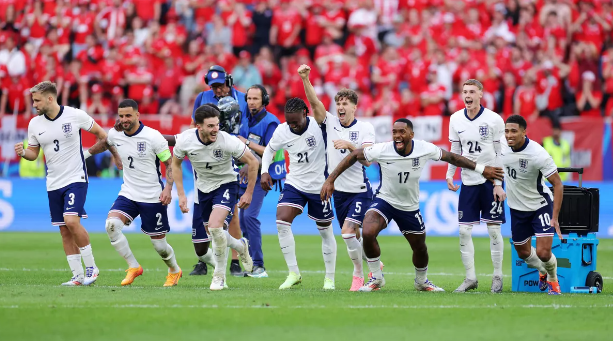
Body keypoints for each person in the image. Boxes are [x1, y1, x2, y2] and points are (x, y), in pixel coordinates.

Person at [320, 118, 505, 292]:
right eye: (394, 132)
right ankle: (376, 277)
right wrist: (330, 180)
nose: (397, 136)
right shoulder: (382, 149)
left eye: (402, 132)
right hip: (385, 200)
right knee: (367, 231)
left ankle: (421, 281)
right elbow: (354, 155)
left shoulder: (424, 148)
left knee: (420, 247)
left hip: (409, 206)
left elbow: (452, 157)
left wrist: (482, 169)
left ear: (411, 135)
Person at [14, 81, 119, 286]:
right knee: (64, 229)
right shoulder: (34, 124)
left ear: (50, 98)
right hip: (53, 182)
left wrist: (96, 154)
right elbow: (34, 154)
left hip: (75, 178)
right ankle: (77, 276)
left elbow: (103, 136)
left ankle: (92, 268)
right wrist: (23, 153)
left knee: (71, 221)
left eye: (37, 100)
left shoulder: (75, 115)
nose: (34, 104)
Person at [298, 64, 381, 291]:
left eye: (345, 103)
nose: (341, 107)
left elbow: (367, 161)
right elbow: (315, 104)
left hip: (360, 190)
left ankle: (358, 274)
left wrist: (351, 146)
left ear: (354, 107)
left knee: (346, 233)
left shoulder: (365, 128)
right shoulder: (331, 123)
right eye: (339, 103)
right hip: (339, 192)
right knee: (354, 235)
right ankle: (374, 262)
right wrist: (305, 79)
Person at [87, 99, 182, 287]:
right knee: (112, 225)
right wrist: (86, 154)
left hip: (152, 196)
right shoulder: (116, 134)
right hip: (129, 193)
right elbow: (106, 142)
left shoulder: (153, 137)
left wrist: (168, 188)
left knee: (160, 246)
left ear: (138, 115)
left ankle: (174, 270)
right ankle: (133, 266)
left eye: (128, 115)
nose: (124, 119)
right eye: (121, 116)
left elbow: (170, 164)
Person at [172, 104, 258, 290]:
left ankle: (219, 277)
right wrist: (181, 194)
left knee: (215, 227)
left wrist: (249, 192)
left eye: (217, 125)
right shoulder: (186, 140)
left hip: (227, 184)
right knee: (213, 234)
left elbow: (253, 161)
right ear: (199, 127)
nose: (215, 129)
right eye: (210, 126)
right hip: (203, 190)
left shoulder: (227, 140)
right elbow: (175, 164)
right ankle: (240, 246)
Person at [260, 97, 336, 290]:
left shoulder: (319, 126)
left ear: (305, 112)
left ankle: (329, 278)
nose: (292, 126)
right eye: (289, 122)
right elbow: (269, 150)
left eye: (296, 121)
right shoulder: (282, 130)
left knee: (325, 231)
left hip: (320, 185)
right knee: (281, 221)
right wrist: (264, 171)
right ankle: (293, 272)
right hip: (295, 183)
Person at [446, 79, 507, 293]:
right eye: (464, 92)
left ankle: (497, 276)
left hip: (491, 182)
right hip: (468, 181)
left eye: (472, 91)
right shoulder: (455, 119)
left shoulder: (494, 120)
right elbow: (454, 148)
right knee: (464, 230)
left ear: (481, 94)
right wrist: (450, 174)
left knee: (493, 230)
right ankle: (470, 277)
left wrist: (498, 184)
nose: (467, 95)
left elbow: (500, 153)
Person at [190, 65, 247, 276]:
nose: (217, 91)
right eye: (213, 86)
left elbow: (244, 128)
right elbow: (193, 125)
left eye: (221, 86)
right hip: (205, 158)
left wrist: (246, 158)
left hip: (231, 157)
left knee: (231, 214)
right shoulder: (203, 97)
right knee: (204, 212)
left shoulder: (242, 99)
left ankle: (233, 262)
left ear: (229, 82)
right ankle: (204, 260)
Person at [501, 115, 564, 295]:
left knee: (544, 253)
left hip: (540, 205)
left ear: (524, 132)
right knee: (523, 253)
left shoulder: (538, 154)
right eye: (506, 131)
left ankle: (552, 279)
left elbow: (558, 184)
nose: (509, 135)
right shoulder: (501, 146)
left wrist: (555, 217)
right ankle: (542, 270)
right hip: (516, 208)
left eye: (514, 131)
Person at [234, 84, 281, 278]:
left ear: (264, 100)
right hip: (242, 173)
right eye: (249, 98)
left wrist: (246, 143)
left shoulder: (271, 121)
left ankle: (259, 266)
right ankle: (250, 264)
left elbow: (271, 149)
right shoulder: (243, 118)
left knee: (249, 217)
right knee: (242, 221)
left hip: (263, 174)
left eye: (255, 98)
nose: (251, 102)